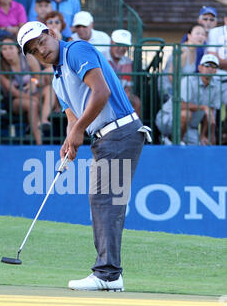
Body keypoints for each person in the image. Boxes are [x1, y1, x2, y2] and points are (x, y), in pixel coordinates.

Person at [17, 21, 151, 291]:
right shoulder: (57, 80)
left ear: (52, 34)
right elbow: (72, 118)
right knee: (103, 200)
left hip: (121, 131)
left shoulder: (76, 50)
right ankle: (109, 273)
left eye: (41, 42)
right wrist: (71, 141)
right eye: (33, 50)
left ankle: (108, 275)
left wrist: (78, 131)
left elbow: (102, 92)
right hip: (105, 138)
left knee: (105, 200)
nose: (40, 51)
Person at [156, 54, 220, 145]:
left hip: (189, 127)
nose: (210, 68)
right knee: (186, 113)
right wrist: (204, 108)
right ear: (200, 68)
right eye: (207, 65)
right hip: (167, 119)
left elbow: (210, 114)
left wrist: (203, 135)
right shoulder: (189, 80)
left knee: (198, 145)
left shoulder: (217, 86)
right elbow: (181, 105)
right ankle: (174, 140)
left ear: (216, 71)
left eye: (213, 66)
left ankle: (174, 141)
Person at [0, 35, 43, 145]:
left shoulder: (28, 58)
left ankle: (38, 124)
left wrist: (34, 82)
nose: (8, 51)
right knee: (32, 104)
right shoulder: (0, 66)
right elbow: (13, 92)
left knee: (48, 91)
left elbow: (38, 77)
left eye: (10, 48)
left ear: (17, 48)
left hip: (34, 93)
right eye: (4, 49)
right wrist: (33, 98)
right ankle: (39, 143)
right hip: (14, 100)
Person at [159, 24, 207, 100]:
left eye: (203, 34)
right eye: (197, 33)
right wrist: (181, 92)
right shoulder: (183, 51)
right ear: (189, 36)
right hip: (170, 90)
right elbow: (172, 76)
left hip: (183, 90)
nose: (201, 36)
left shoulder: (195, 52)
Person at [106, 29, 141, 117]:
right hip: (104, 93)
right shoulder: (101, 58)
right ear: (111, 42)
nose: (121, 48)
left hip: (121, 94)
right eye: (118, 44)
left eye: (124, 45)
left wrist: (126, 93)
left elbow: (128, 86)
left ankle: (134, 129)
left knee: (136, 101)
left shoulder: (128, 62)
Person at [181, 6, 218, 72]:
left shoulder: (218, 37)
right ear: (199, 20)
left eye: (211, 19)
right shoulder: (191, 36)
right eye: (205, 19)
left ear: (216, 22)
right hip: (192, 74)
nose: (208, 22)